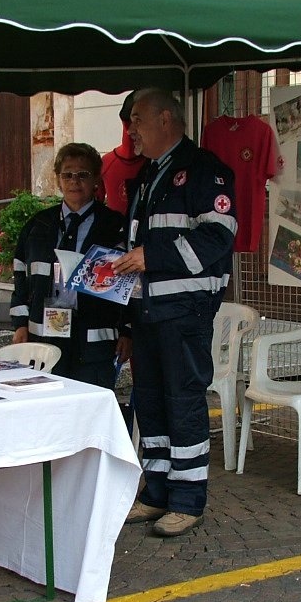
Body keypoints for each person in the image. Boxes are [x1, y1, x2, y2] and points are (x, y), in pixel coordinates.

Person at [112, 88, 236, 538]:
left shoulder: (205, 171)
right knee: (150, 401)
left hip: (184, 311)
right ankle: (156, 492)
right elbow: (136, 249)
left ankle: (187, 500)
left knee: (183, 403)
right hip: (146, 311)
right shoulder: (148, 175)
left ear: (166, 119)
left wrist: (153, 255)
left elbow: (218, 238)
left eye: (138, 119)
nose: (132, 129)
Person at [10, 142, 130, 388]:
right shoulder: (37, 225)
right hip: (43, 338)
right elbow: (20, 274)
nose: (75, 181)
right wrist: (20, 324)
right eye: (68, 174)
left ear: (96, 179)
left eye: (83, 174)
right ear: (58, 179)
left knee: (89, 410)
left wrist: (128, 331)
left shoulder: (115, 226)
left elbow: (130, 284)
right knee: (47, 408)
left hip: (94, 342)